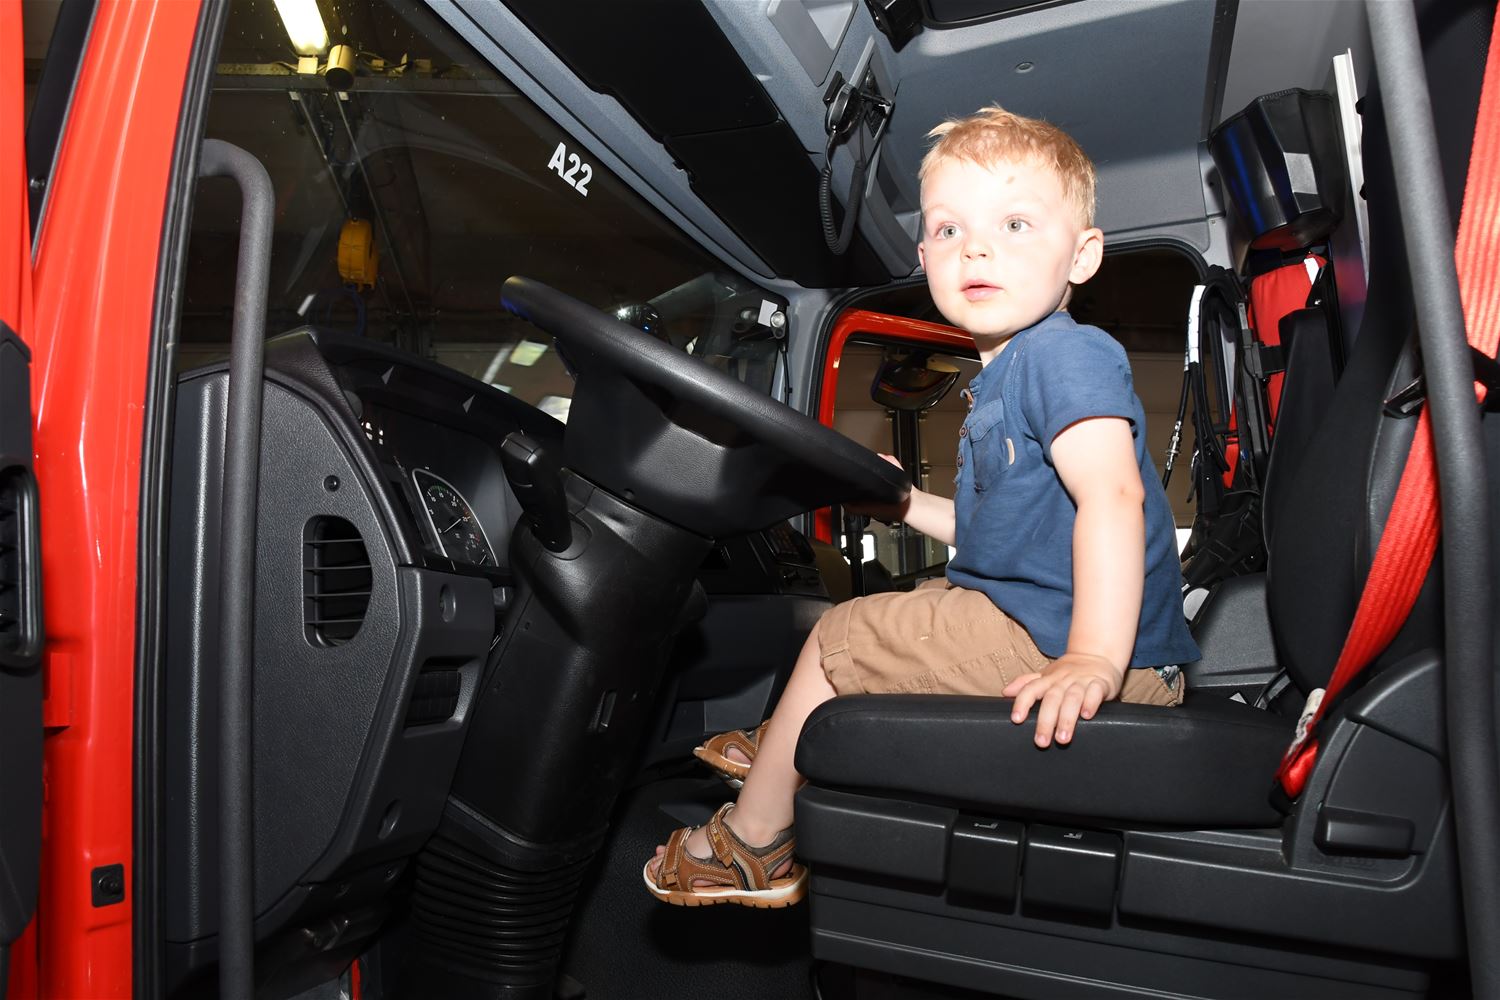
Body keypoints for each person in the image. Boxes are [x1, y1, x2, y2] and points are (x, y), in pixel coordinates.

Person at [644, 105, 1200, 908]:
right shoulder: (1001, 379)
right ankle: (787, 746)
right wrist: (902, 501)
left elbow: (1112, 496)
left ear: (1081, 256)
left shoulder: (1064, 354)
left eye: (1014, 224)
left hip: (1097, 650)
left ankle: (752, 846)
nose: (975, 248)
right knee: (925, 594)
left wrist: (1094, 658)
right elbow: (988, 535)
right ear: (925, 257)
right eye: (948, 229)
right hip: (1048, 620)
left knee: (839, 634)